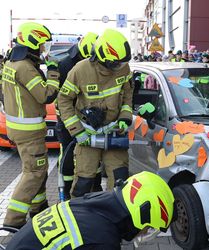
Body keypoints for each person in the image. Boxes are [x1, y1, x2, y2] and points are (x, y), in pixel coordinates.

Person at [5, 171, 175, 250]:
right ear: (141, 214)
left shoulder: (96, 203)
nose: (144, 233)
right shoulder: (103, 240)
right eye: (149, 227)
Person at [57, 29, 133, 197]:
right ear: (101, 56)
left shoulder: (123, 68)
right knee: (84, 181)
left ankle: (114, 217)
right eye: (116, 64)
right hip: (87, 134)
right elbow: (63, 100)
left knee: (119, 180)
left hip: (114, 133)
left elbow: (128, 96)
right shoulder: (80, 70)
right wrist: (78, 131)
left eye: (122, 63)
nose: (120, 67)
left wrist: (124, 118)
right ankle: (78, 216)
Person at [1, 22, 60, 228]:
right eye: (42, 44)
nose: (44, 49)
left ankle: (39, 209)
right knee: (33, 173)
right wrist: (53, 72)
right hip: (29, 132)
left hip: (18, 128)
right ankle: (13, 220)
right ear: (33, 43)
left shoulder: (11, 63)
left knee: (39, 171)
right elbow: (46, 95)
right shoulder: (25, 67)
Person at [55, 32, 98, 200]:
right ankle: (65, 190)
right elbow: (63, 98)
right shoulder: (65, 65)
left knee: (91, 153)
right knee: (67, 154)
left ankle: (93, 186)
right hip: (68, 119)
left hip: (87, 119)